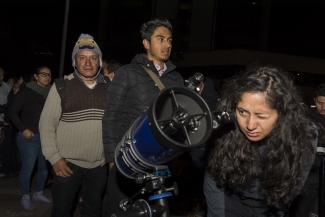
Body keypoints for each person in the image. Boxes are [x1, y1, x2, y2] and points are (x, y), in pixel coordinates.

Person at [204, 64, 317, 217]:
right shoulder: (225, 126)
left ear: (282, 113)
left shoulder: (305, 136)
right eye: (242, 112)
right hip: (230, 201)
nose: (250, 125)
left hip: (269, 207)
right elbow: (213, 179)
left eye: (261, 116)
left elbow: (290, 190)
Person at [102, 18, 183, 216]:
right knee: (119, 210)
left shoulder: (176, 78)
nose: (167, 44)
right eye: (161, 39)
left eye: (170, 40)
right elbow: (111, 115)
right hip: (127, 158)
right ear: (146, 43)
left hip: (159, 161)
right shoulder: (128, 72)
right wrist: (112, 158)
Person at [39, 33, 109, 217]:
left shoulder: (110, 88)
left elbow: (116, 122)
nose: (88, 63)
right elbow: (46, 125)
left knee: (93, 211)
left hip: (98, 166)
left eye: (93, 58)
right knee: (62, 211)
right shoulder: (62, 86)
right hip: (67, 165)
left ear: (99, 62)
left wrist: (112, 148)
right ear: (75, 62)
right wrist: (54, 158)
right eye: (82, 58)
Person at [8, 66, 52, 211]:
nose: (47, 77)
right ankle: (25, 196)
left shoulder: (51, 93)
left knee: (44, 169)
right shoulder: (27, 92)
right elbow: (12, 112)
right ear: (36, 76)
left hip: (46, 137)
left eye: (49, 75)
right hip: (30, 136)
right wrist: (23, 128)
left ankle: (38, 193)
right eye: (43, 74)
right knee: (28, 168)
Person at [289, 84, 325, 217]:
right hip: (310, 173)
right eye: (320, 103)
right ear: (315, 100)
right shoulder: (307, 117)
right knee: (303, 210)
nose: (323, 107)